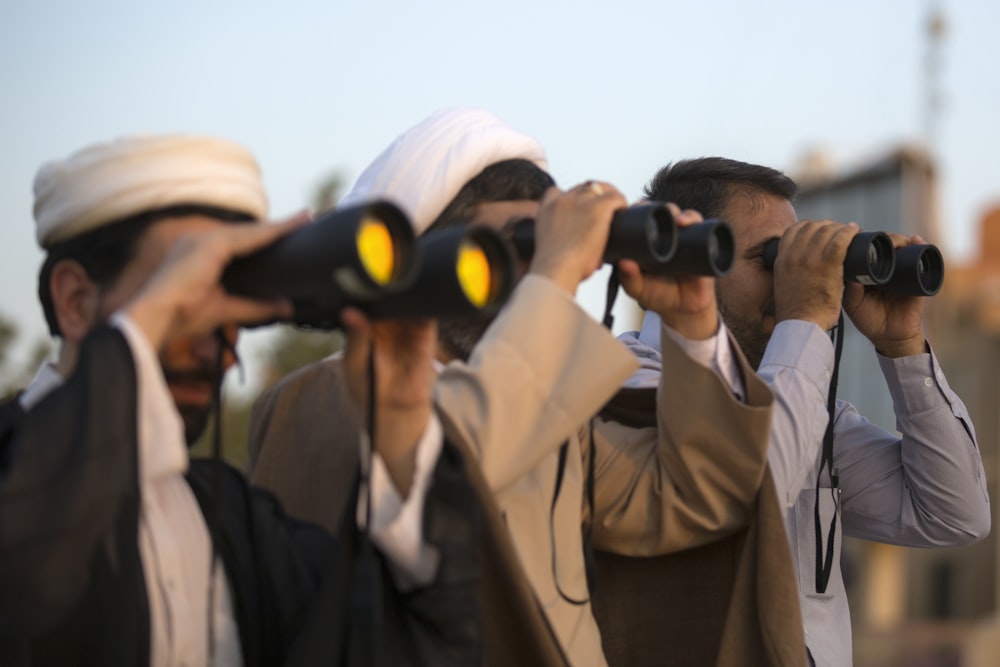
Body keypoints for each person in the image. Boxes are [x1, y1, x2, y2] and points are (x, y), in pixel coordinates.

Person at [248, 108, 787, 666]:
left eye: (541, 246)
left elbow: (703, 495)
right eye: (512, 246)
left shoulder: (550, 428)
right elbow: (441, 470)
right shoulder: (318, 397)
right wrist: (555, 268)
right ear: (417, 258)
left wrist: (692, 323)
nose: (532, 275)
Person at [0, 134, 482, 666]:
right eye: (189, 298)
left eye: (228, 307)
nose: (219, 350)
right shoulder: (15, 469)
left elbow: (412, 646)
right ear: (74, 301)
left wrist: (402, 431)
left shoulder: (236, 522)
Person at [639, 156, 991, 666]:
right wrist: (806, 317)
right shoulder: (627, 384)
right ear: (689, 261)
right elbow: (743, 489)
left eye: (799, 261)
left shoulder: (806, 411)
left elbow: (955, 515)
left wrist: (903, 345)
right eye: (772, 260)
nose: (790, 282)